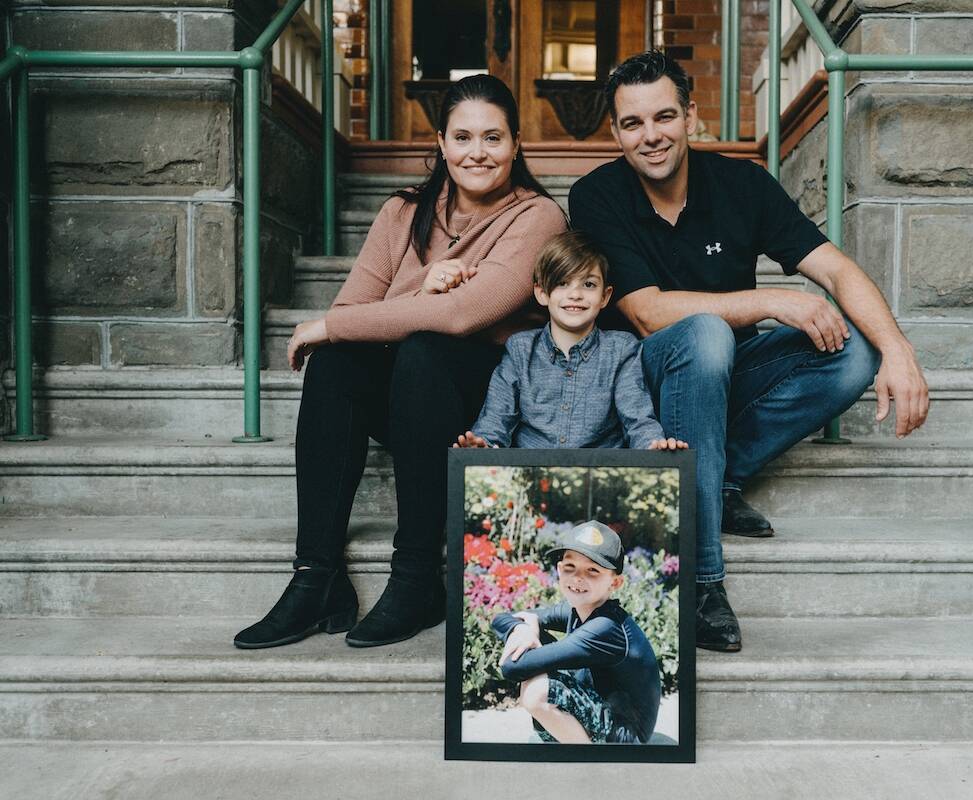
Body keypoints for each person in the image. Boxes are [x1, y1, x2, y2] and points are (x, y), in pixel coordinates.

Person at [568, 52, 930, 653]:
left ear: (690, 115)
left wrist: (898, 350)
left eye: (664, 117)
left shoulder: (741, 183)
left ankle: (722, 473)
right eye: (633, 124)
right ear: (615, 132)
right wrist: (770, 301)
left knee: (856, 347)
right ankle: (702, 580)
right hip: (644, 394)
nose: (651, 136)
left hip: (724, 381)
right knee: (707, 332)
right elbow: (646, 312)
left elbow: (836, 270)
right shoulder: (597, 195)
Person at [234, 75, 567, 650]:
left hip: (484, 404)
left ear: (516, 144)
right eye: (462, 137)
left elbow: (466, 315)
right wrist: (416, 294)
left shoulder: (537, 218)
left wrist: (334, 325)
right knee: (337, 365)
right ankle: (317, 577)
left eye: (493, 137)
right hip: (412, 399)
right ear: (440, 142)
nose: (477, 152)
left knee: (422, 348)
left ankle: (415, 578)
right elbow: (353, 311)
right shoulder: (402, 213)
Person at [455, 230, 686, 452]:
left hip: (600, 479)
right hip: (531, 478)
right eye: (563, 283)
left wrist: (652, 445)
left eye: (588, 285)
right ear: (542, 292)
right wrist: (482, 445)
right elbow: (496, 419)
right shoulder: (520, 349)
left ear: (605, 296)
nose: (575, 294)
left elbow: (637, 418)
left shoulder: (620, 349)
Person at [491, 520, 661, 744]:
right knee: (534, 647)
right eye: (570, 567)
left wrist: (528, 634)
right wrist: (523, 628)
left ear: (615, 583)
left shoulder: (606, 627)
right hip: (601, 714)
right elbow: (501, 618)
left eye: (593, 570)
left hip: (626, 737)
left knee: (537, 692)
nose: (578, 577)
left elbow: (512, 667)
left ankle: (587, 762)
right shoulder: (575, 610)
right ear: (559, 570)